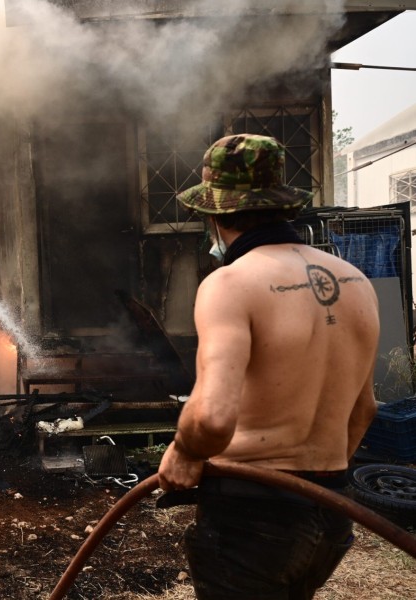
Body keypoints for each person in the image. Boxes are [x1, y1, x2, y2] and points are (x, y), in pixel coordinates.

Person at [158, 134, 380, 599]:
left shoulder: (230, 284)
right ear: (283, 205)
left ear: (215, 215)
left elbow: (213, 418)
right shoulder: (356, 283)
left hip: (252, 520)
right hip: (332, 513)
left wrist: (184, 450)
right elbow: (365, 411)